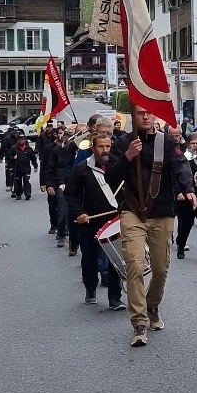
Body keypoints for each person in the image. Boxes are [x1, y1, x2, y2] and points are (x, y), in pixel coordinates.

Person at [106, 102, 194, 347]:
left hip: (162, 211)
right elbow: (110, 178)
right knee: (134, 265)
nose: (145, 117)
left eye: (148, 112)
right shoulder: (122, 142)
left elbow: (181, 166)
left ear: (154, 115)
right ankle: (139, 322)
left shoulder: (167, 142)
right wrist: (127, 158)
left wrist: (188, 189)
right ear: (133, 116)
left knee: (160, 268)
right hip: (131, 212)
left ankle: (153, 305)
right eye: (140, 113)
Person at [64, 134, 125, 313]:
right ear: (93, 147)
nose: (105, 150)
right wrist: (79, 212)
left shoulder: (117, 167)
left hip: (114, 222)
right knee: (89, 259)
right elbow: (71, 194)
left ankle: (115, 297)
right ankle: (90, 288)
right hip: (90, 222)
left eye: (108, 146)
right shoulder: (82, 169)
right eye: (101, 147)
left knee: (116, 261)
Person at [176, 133, 197, 262]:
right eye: (193, 143)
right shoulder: (182, 159)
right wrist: (179, 192)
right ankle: (181, 246)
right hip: (186, 197)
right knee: (186, 224)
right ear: (188, 144)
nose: (195, 146)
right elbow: (177, 176)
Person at [9, 134, 38, 200]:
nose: (21, 140)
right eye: (20, 139)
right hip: (17, 168)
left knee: (26, 181)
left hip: (26, 168)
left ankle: (27, 193)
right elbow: (9, 156)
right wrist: (13, 158)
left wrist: (35, 166)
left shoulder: (29, 149)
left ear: (25, 140)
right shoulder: (14, 148)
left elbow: (33, 158)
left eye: (22, 139)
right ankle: (18, 194)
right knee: (18, 182)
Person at [0, 127, 21, 191]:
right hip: (9, 158)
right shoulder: (7, 139)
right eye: (14, 132)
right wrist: (1, 157)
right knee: (9, 172)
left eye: (17, 133)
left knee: (19, 171)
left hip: (19, 157)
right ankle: (9, 185)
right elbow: (3, 148)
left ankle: (18, 185)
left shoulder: (21, 138)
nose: (16, 134)